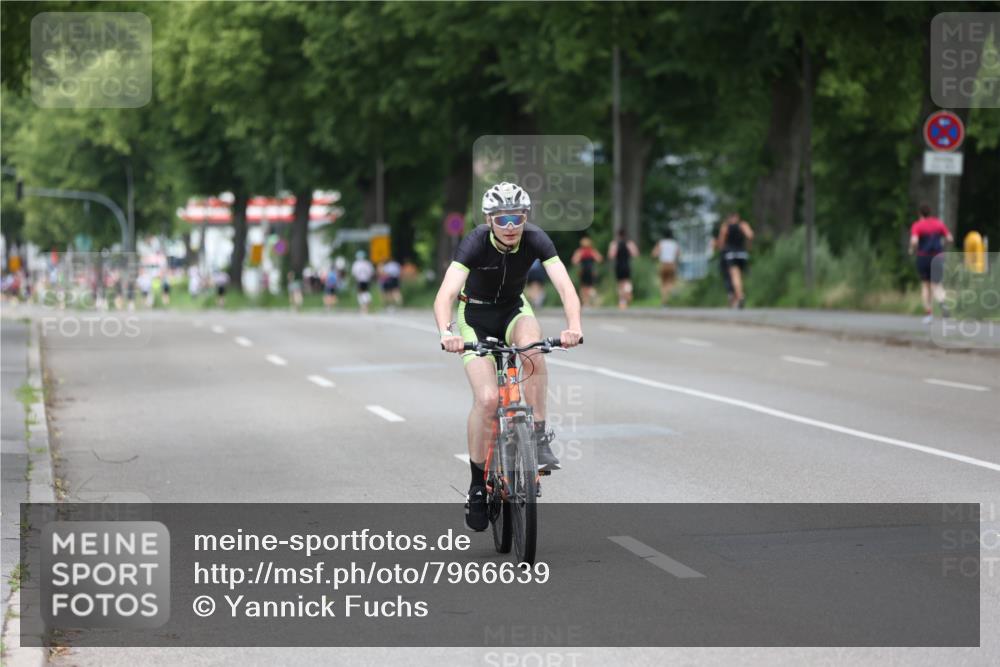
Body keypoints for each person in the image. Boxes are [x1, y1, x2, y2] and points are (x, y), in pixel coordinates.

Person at [434, 182, 583, 532]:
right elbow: (446, 294)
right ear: (489, 220)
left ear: (525, 217)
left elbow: (565, 287)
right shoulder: (473, 242)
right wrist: (447, 333)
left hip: (514, 310)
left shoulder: (535, 238)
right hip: (476, 317)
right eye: (502, 219)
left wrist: (573, 326)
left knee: (533, 349)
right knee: (487, 400)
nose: (511, 225)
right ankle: (475, 485)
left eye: (517, 217)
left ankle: (540, 436)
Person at [909, 203, 953, 324]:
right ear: (930, 213)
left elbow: (914, 241)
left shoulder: (917, 225)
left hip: (923, 257)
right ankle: (943, 304)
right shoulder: (938, 223)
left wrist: (912, 249)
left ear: (920, 214)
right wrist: (942, 246)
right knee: (937, 284)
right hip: (938, 257)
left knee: (925, 286)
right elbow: (949, 238)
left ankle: (928, 314)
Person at [717, 213, 754, 309]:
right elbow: (750, 235)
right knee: (740, 277)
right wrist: (748, 246)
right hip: (742, 253)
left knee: (734, 276)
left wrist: (722, 251)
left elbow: (721, 242)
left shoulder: (726, 227)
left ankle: (740, 296)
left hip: (731, 253)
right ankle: (738, 298)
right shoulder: (743, 225)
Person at [607, 229, 638, 309]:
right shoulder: (630, 244)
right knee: (627, 281)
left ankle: (622, 301)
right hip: (627, 265)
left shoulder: (614, 244)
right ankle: (628, 293)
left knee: (620, 284)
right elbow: (635, 254)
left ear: (618, 235)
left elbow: (611, 256)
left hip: (618, 266)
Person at [570, 236, 603, 307]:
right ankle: (594, 298)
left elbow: (574, 261)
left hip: (583, 271)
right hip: (591, 270)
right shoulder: (592, 251)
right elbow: (599, 259)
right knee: (590, 286)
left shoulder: (580, 251)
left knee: (583, 288)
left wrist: (579, 263)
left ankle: (586, 303)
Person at [651, 229, 681, 306]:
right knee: (670, 281)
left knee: (663, 284)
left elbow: (654, 253)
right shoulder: (674, 244)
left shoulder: (661, 243)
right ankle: (672, 289)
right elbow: (678, 254)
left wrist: (656, 257)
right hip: (672, 264)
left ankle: (664, 302)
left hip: (663, 264)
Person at [351, 250, 375, 314]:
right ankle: (366, 305)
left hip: (359, 280)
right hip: (367, 280)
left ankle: (363, 307)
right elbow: (371, 272)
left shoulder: (356, 264)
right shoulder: (368, 263)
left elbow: (354, 273)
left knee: (360, 293)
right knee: (366, 292)